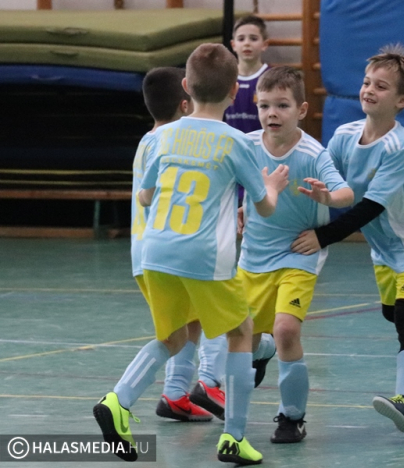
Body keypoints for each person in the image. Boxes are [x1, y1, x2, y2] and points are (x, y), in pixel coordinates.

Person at [94, 43, 289, 465]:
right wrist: (273, 186)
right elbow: (265, 207)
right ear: (235, 91)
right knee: (241, 332)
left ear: (187, 86)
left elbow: (145, 196)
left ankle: (117, 400)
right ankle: (234, 437)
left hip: (155, 252)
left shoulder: (162, 136)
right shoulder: (236, 142)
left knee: (174, 337)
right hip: (203, 255)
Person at [291, 44, 404, 434]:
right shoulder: (344, 136)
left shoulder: (398, 149)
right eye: (367, 82)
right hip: (383, 247)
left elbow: (368, 208)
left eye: (381, 86)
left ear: (402, 101)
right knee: (393, 312)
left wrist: (323, 237)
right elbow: (327, 181)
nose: (369, 89)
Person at [238, 66, 354, 443]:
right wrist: (239, 208)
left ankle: (292, 417)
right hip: (253, 254)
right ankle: (262, 350)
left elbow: (346, 194)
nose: (272, 113)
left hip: (297, 252)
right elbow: (235, 184)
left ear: (302, 110)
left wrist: (326, 197)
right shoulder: (246, 145)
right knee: (242, 338)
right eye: (264, 105)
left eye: (282, 105)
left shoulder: (313, 154)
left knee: (287, 329)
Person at [129, 66, 227, 424]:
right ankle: (210, 383)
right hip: (170, 247)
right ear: (186, 105)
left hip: (143, 248)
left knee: (190, 323)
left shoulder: (147, 139)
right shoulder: (172, 140)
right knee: (220, 313)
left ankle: (175, 395)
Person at [225, 14, 270, 133]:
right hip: (231, 143)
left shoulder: (272, 78)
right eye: (241, 39)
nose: (247, 43)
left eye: (253, 39)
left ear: (264, 44)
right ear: (233, 45)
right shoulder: (225, 78)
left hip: (262, 143)